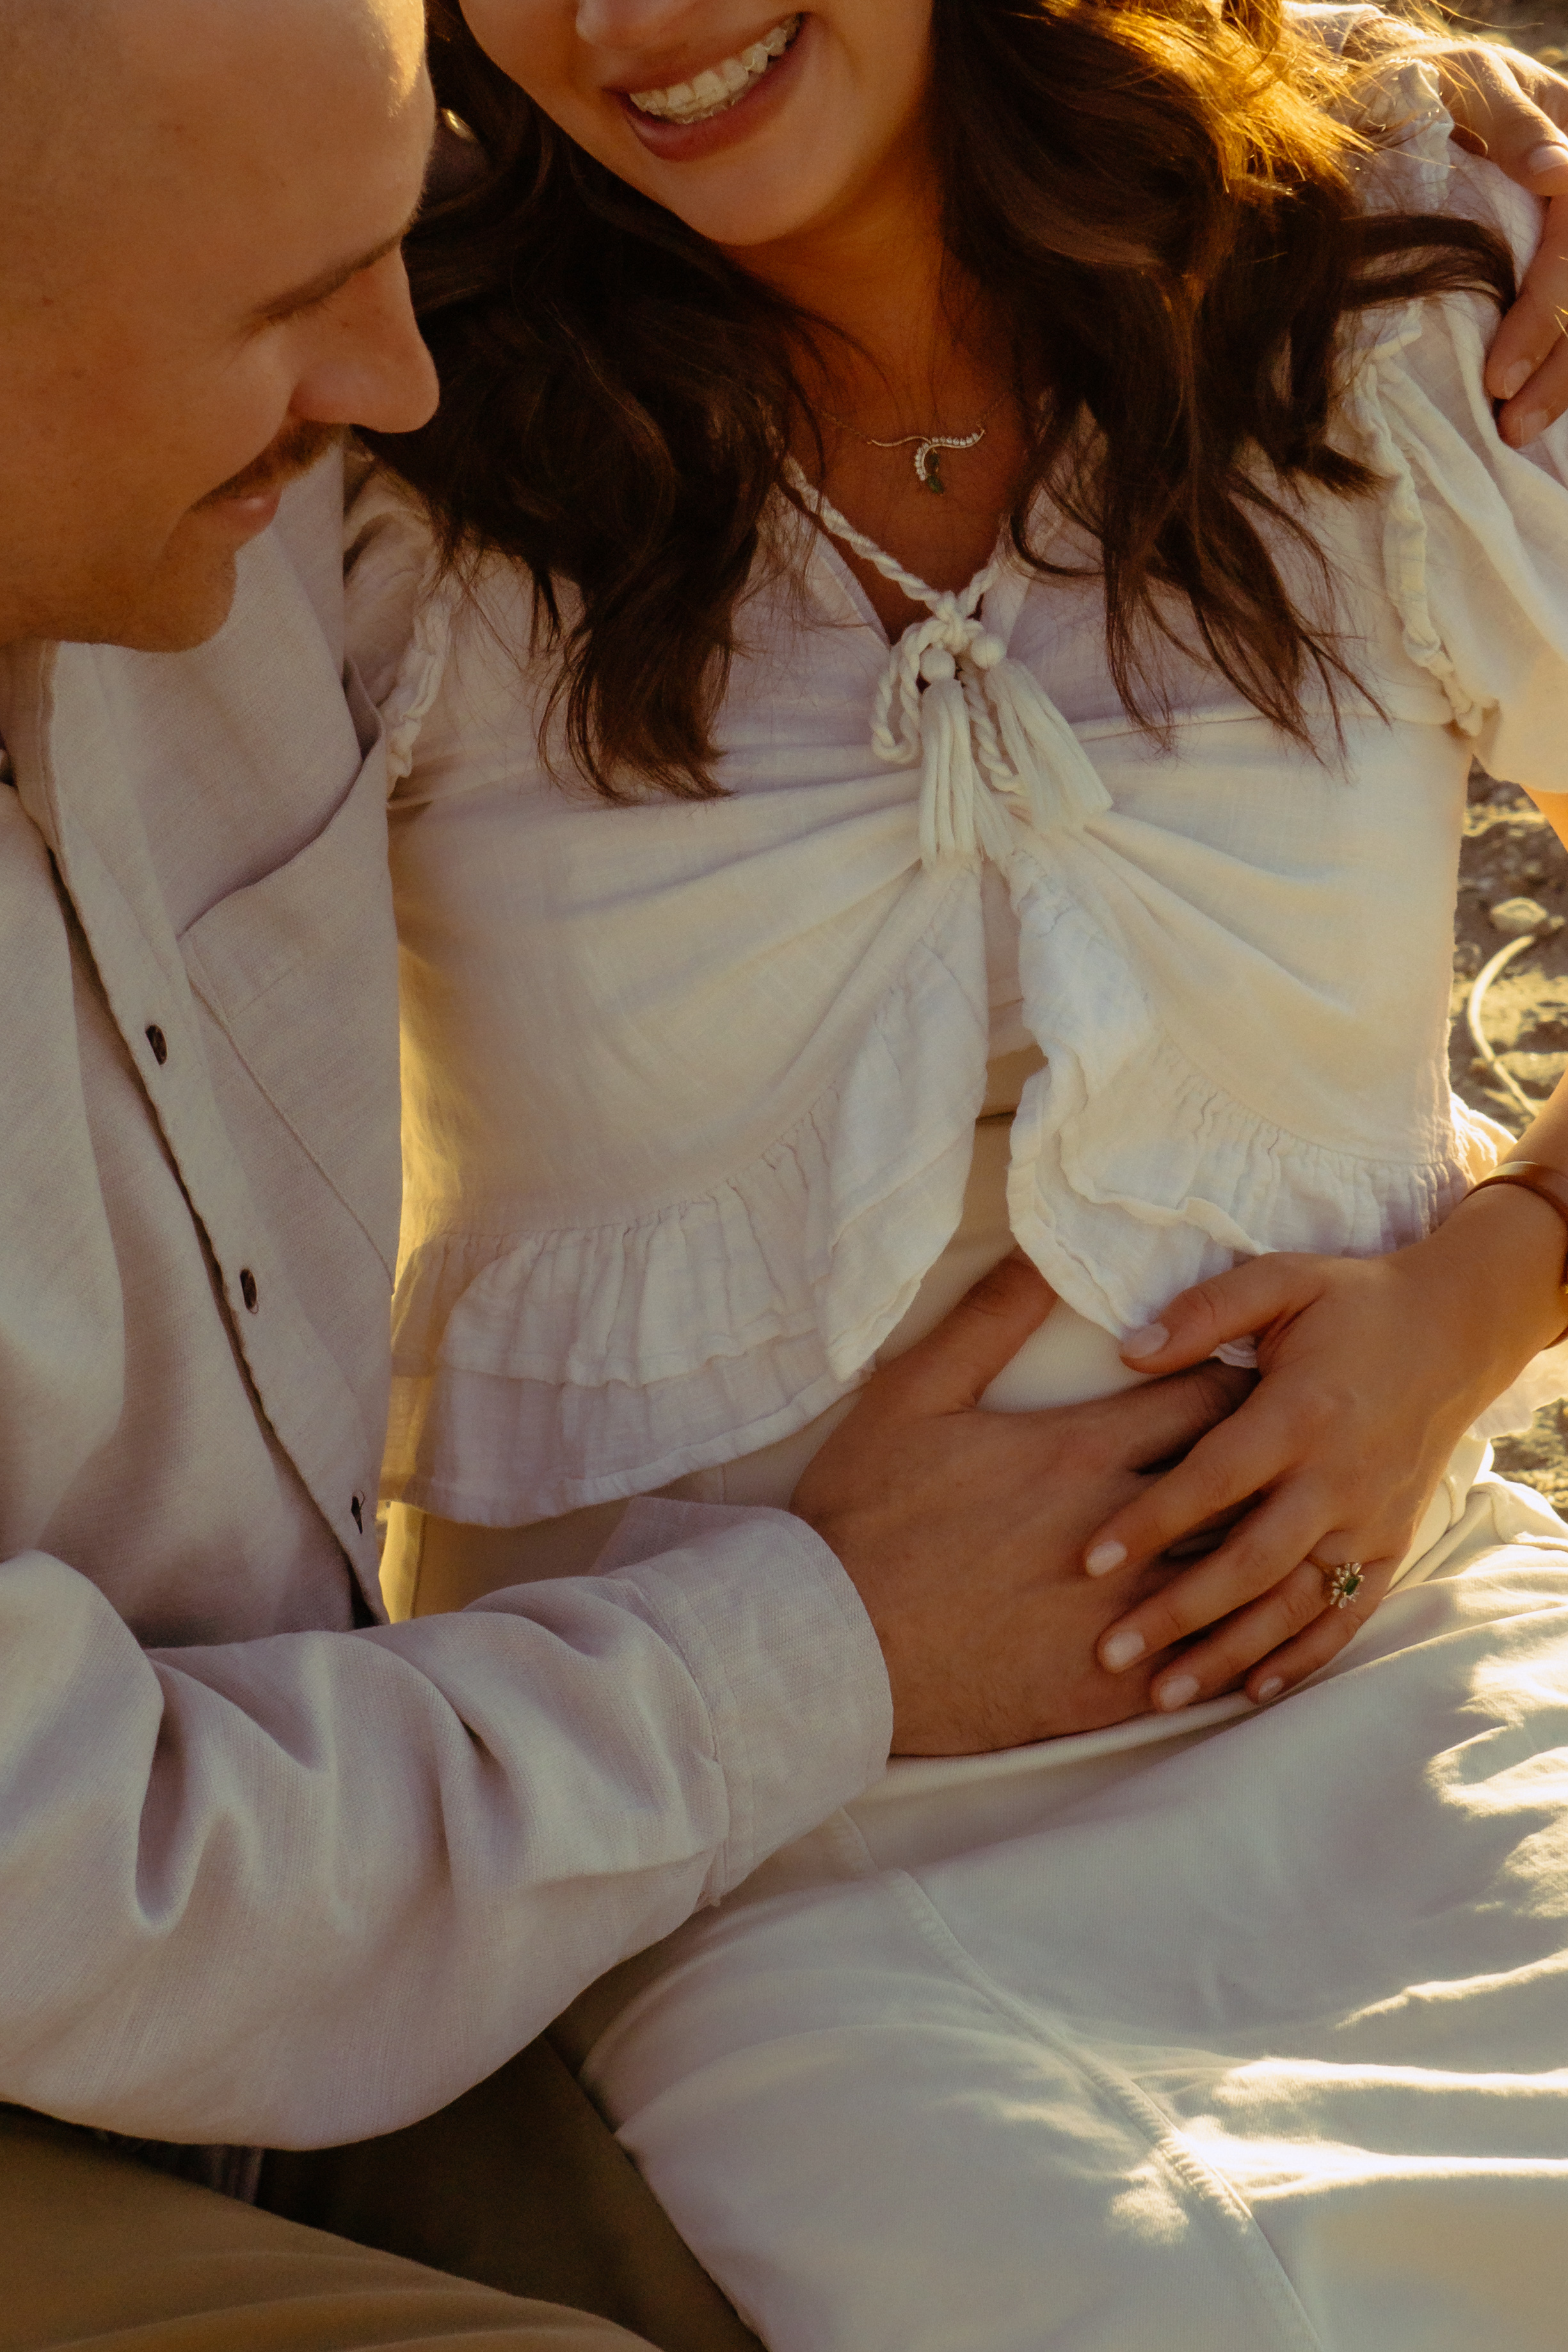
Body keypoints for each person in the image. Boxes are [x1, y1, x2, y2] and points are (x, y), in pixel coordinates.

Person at [0, 5, 1278, 2349]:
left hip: (370, 1905)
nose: (401, 376)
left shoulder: (215, 458)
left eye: (390, 250)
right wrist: (830, 1639)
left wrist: (1416, 137)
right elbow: (70, 1886)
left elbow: (773, 112)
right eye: (296, 310)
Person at [348, 1, 1568, 2342]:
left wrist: (1490, 1283)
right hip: (748, 1832)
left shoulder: (1372, 286)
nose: (625, 24)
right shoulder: (381, 403)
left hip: (1408, 1685)